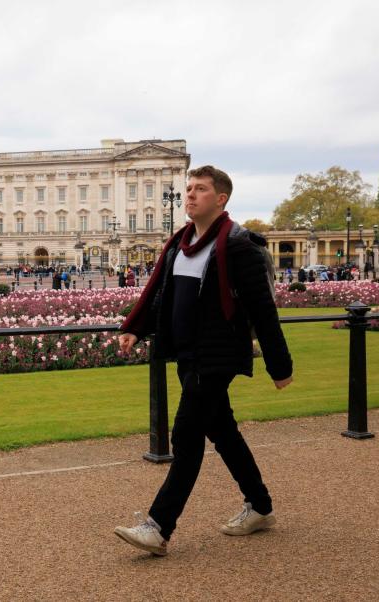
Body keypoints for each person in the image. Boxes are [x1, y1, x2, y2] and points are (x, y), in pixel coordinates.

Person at [114, 165, 293, 557]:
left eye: (200, 189)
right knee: (223, 432)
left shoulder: (238, 245)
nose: (190, 195)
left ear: (221, 199)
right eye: (189, 188)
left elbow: (264, 311)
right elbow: (159, 293)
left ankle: (158, 527)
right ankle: (260, 506)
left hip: (217, 357)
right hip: (187, 355)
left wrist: (279, 366)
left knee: (186, 437)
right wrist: (135, 327)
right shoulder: (180, 243)